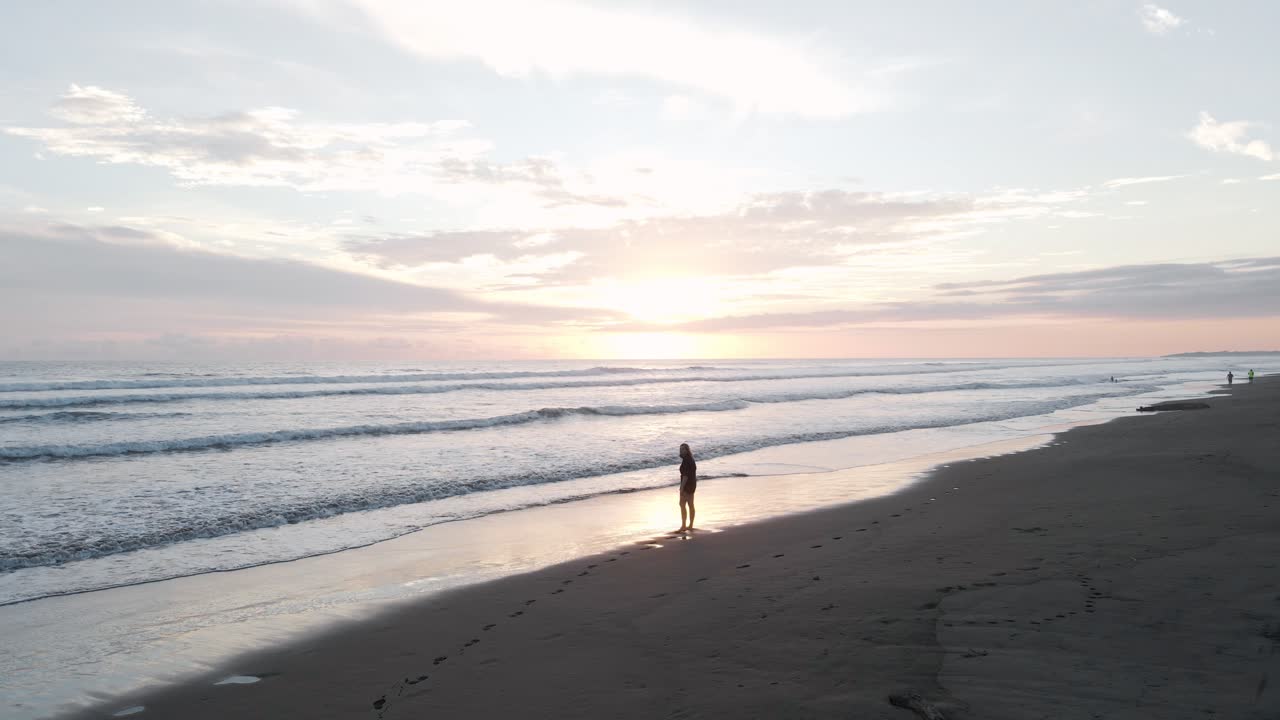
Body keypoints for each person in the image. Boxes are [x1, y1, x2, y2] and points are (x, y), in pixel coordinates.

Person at [677, 443, 697, 532]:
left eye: (683, 449)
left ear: (687, 450)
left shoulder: (686, 460)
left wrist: (681, 488)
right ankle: (690, 525)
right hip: (692, 484)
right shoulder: (691, 459)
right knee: (690, 505)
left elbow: (685, 476)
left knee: (682, 504)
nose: (681, 451)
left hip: (687, 485)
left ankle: (684, 525)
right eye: (680, 449)